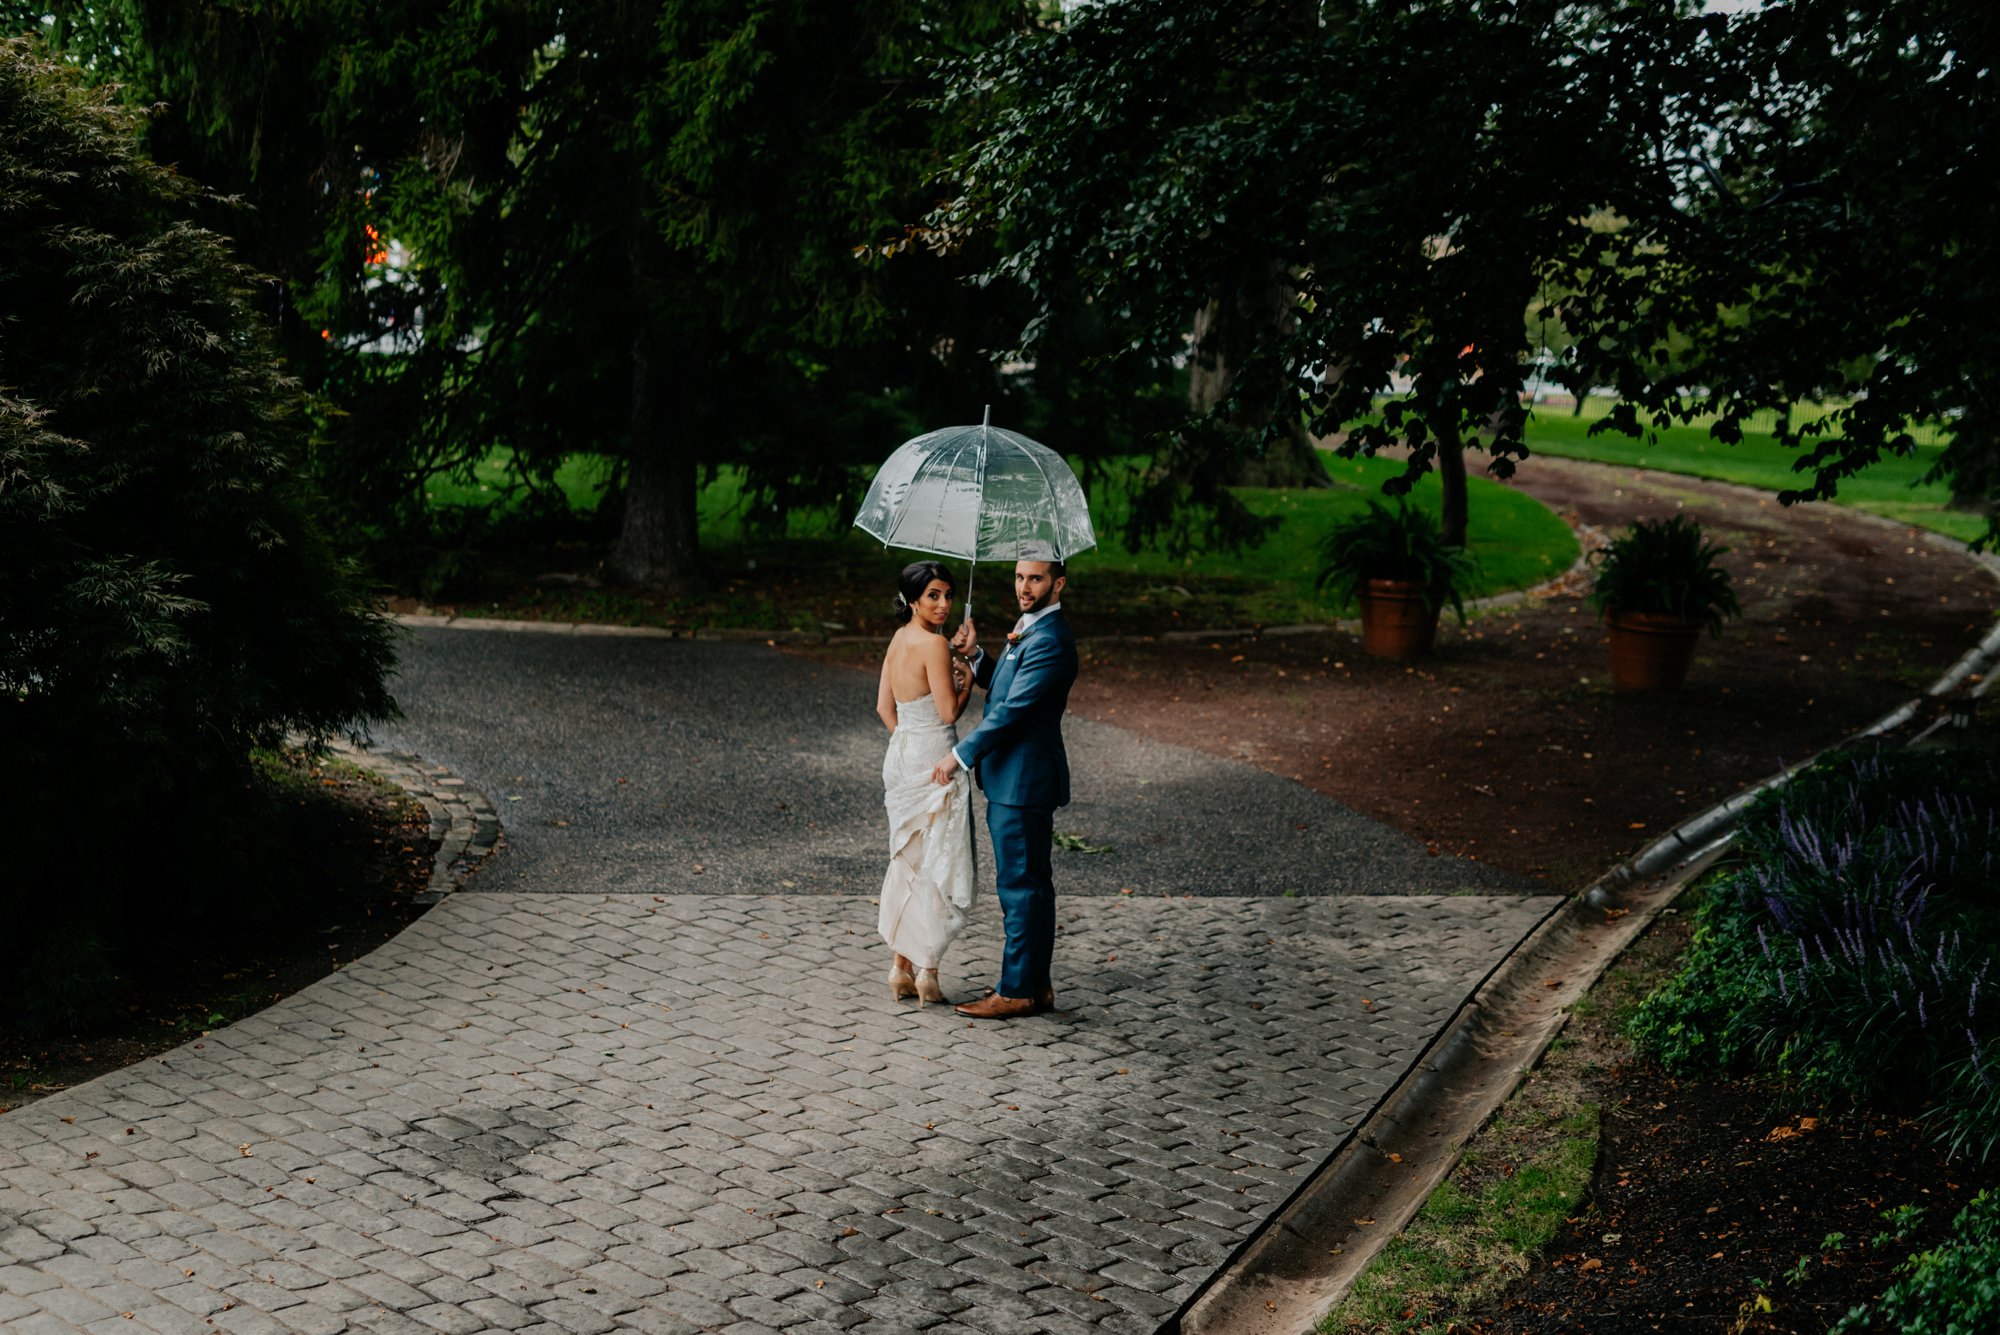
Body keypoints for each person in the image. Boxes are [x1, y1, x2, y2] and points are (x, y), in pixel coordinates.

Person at [931, 556, 1078, 1020]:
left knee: (1020, 887)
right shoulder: (1030, 627)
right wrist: (977, 657)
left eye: (1035, 578)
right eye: (1019, 577)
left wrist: (959, 756)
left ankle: (1015, 990)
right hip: (1018, 778)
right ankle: (1037, 984)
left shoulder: (1051, 639)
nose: (1024, 586)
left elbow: (1012, 712)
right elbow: (1007, 689)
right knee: (1033, 885)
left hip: (1023, 781)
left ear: (1058, 584)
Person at [876, 560, 975, 1004]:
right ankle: (928, 973)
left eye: (948, 595)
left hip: (902, 755)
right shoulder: (933, 646)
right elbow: (950, 713)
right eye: (933, 595)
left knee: (908, 860)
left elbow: (884, 708)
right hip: (935, 757)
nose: (943, 604)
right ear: (912, 600)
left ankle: (900, 966)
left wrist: (907, 739)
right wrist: (967, 681)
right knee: (936, 862)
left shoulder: (900, 638)